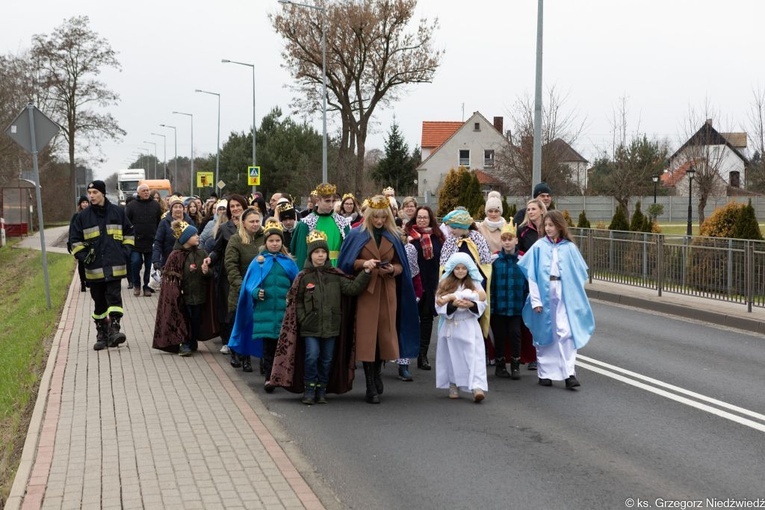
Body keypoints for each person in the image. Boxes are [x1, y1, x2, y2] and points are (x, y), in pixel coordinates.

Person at [271, 231, 374, 404]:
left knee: (327, 359)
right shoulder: (303, 276)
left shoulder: (335, 275)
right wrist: (303, 317)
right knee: (312, 356)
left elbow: (352, 288)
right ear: (311, 254)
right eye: (316, 252)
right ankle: (309, 389)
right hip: (310, 327)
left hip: (332, 326)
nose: (320, 255)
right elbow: (295, 300)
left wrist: (366, 272)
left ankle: (322, 389)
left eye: (323, 252)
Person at [337, 195, 419, 404]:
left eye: (383, 217)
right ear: (369, 216)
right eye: (376, 217)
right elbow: (346, 262)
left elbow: (402, 266)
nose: (380, 221)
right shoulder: (356, 235)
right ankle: (370, 384)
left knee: (384, 336)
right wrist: (364, 264)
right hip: (366, 291)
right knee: (367, 338)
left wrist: (393, 269)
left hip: (387, 291)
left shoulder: (394, 235)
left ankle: (377, 373)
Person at [518, 210, 594, 389]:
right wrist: (535, 300)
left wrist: (576, 298)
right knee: (546, 333)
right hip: (544, 295)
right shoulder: (538, 247)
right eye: (546, 225)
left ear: (560, 226)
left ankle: (569, 373)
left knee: (566, 333)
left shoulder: (569, 248)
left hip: (565, 294)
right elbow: (532, 276)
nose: (548, 228)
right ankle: (545, 373)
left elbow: (578, 275)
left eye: (551, 225)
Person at [228, 219, 299, 391]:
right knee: (268, 347)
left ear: (282, 242)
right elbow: (248, 285)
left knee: (282, 347)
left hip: (283, 312)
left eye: (277, 241)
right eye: (271, 241)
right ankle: (269, 378)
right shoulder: (258, 262)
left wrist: (291, 297)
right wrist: (254, 293)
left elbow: (297, 284)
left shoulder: (289, 262)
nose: (274, 244)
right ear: (265, 242)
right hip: (264, 312)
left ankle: (281, 376)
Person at [69, 180, 134, 351]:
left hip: (114, 266)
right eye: (89, 193)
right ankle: (102, 334)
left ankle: (114, 329)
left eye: (95, 192)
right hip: (94, 269)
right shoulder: (82, 217)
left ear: (103, 193)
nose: (91, 196)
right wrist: (85, 257)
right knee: (99, 302)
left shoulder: (118, 212)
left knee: (114, 298)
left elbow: (129, 233)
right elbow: (74, 241)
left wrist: (125, 252)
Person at [152, 220, 214, 356]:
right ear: (185, 238)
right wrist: (176, 291)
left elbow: (210, 274)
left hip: (199, 295)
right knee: (183, 319)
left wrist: (206, 271)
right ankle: (184, 342)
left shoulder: (202, 253)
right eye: (194, 235)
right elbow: (170, 280)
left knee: (196, 320)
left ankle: (192, 341)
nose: (197, 236)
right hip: (182, 297)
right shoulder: (175, 256)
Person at [435, 252, 488, 403]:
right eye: (457, 268)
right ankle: (453, 384)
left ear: (468, 269)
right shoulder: (444, 284)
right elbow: (438, 304)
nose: (460, 271)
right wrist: (452, 305)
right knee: (452, 357)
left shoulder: (475, 283)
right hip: (452, 326)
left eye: (463, 268)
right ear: (452, 269)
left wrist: (472, 305)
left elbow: (483, 301)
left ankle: (476, 386)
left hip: (469, 324)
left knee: (473, 356)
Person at [205, 194, 248, 355]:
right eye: (233, 206)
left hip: (247, 271)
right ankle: (227, 340)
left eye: (238, 205)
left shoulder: (252, 225)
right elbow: (217, 250)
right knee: (227, 308)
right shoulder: (225, 228)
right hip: (227, 273)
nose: (236, 209)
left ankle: (245, 342)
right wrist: (209, 259)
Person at [223, 207, 265, 371]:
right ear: (244, 223)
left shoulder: (265, 238)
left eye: (257, 221)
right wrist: (242, 286)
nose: (255, 224)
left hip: (260, 290)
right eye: (252, 221)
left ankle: (262, 359)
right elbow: (231, 266)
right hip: (240, 290)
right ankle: (239, 355)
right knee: (240, 324)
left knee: (259, 325)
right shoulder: (236, 240)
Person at [405, 205, 444, 370]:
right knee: (411, 319)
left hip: (430, 283)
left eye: (425, 217)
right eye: (419, 217)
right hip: (413, 283)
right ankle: (406, 357)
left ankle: (423, 355)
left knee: (427, 320)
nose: (422, 220)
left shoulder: (438, 237)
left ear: (430, 219)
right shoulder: (408, 236)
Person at [490, 222, 525, 379]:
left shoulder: (523, 260)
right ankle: (500, 365)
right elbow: (489, 284)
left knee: (515, 334)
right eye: (504, 239)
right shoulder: (495, 260)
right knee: (500, 335)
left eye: (510, 239)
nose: (507, 242)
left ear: (516, 241)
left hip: (516, 306)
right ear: (501, 241)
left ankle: (516, 364)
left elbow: (530, 282)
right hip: (498, 306)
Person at [516, 197, 548, 370]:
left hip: (546, 278)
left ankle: (542, 354)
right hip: (527, 277)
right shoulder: (522, 230)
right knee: (529, 314)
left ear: (541, 210)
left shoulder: (548, 229)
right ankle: (528, 354)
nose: (530, 212)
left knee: (544, 316)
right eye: (528, 209)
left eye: (533, 209)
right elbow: (519, 251)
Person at [290, 183, 350, 268]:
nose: (331, 205)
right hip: (314, 270)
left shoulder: (343, 223)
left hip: (338, 269)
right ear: (318, 200)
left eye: (333, 201)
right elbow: (301, 255)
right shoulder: (306, 224)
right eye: (327, 201)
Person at [126, 183, 162, 297]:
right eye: (144, 191)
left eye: (147, 190)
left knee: (148, 266)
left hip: (151, 241)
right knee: (135, 263)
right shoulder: (132, 206)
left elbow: (158, 221)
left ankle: (146, 287)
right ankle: (136, 284)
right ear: (138, 193)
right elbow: (127, 222)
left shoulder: (155, 205)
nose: (146, 192)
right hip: (136, 242)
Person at [152, 196, 190, 271]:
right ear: (171, 209)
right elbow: (158, 242)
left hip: (186, 261)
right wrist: (156, 260)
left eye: (180, 207)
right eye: (175, 207)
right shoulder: (164, 222)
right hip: (168, 259)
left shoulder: (189, 222)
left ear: (183, 209)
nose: (178, 209)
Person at [68, 195, 90, 292]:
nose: (85, 204)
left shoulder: (91, 214)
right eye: (83, 202)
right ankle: (82, 282)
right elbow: (71, 229)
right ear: (80, 204)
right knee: (81, 262)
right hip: (79, 242)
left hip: (89, 242)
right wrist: (70, 242)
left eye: (86, 202)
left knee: (89, 262)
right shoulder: (76, 216)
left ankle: (89, 280)